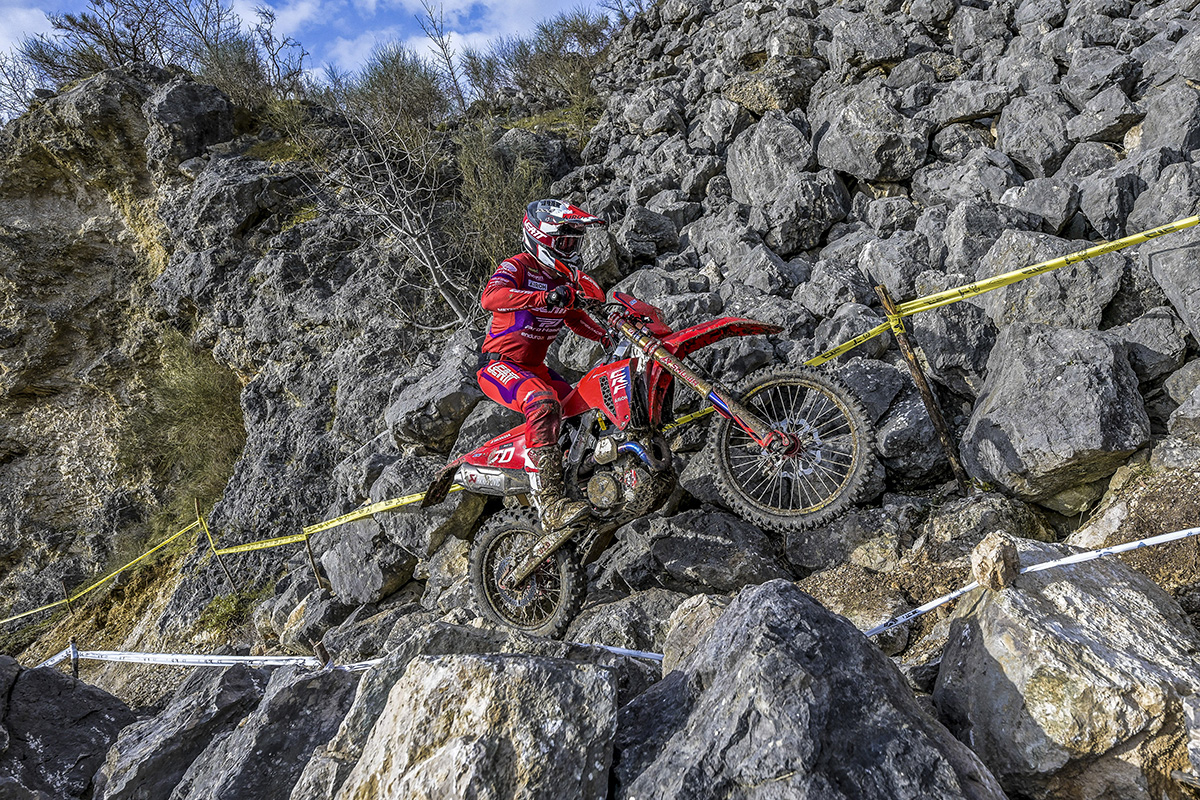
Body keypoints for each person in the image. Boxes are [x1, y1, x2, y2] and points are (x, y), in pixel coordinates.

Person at [477, 199, 609, 531]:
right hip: (500, 365)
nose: (572, 249)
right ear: (542, 238)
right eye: (565, 242)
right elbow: (491, 298)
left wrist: (608, 336)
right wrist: (541, 298)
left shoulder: (564, 281)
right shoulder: (518, 266)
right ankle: (550, 504)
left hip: (536, 368)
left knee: (590, 408)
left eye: (575, 243)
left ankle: (584, 482)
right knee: (542, 402)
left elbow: (577, 319)